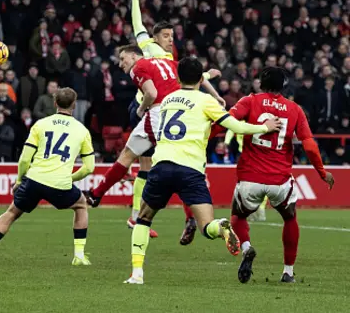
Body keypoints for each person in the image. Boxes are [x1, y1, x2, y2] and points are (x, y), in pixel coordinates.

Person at [122, 57, 282, 285]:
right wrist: (263, 127)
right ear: (200, 78)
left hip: (163, 165)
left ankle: (137, 274)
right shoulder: (206, 101)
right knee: (207, 227)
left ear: (177, 78)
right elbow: (235, 126)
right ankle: (221, 226)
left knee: (143, 220)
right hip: (191, 170)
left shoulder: (167, 99)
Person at [86, 44, 221, 242]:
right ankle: (190, 217)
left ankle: (97, 194)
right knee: (181, 163)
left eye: (123, 59)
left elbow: (151, 93)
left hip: (161, 112)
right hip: (182, 112)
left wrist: (141, 109)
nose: (121, 63)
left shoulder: (138, 67)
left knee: (128, 155)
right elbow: (196, 75)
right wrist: (214, 90)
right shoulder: (167, 62)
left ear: (134, 56)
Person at [211, 67, 335, 284]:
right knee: (290, 219)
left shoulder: (249, 101)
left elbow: (224, 121)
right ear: (284, 85)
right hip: (280, 180)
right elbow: (309, 145)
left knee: (238, 217)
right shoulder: (294, 109)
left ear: (260, 82)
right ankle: (288, 271)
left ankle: (247, 248)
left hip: (250, 177)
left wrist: (204, 137)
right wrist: (322, 172)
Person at [0, 87, 95, 266]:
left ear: (55, 104)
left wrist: (19, 180)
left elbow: (24, 159)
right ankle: (79, 255)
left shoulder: (41, 124)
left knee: (12, 212)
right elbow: (89, 168)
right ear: (74, 105)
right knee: (81, 206)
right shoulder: (82, 130)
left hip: (35, 179)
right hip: (59, 183)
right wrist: (70, 179)